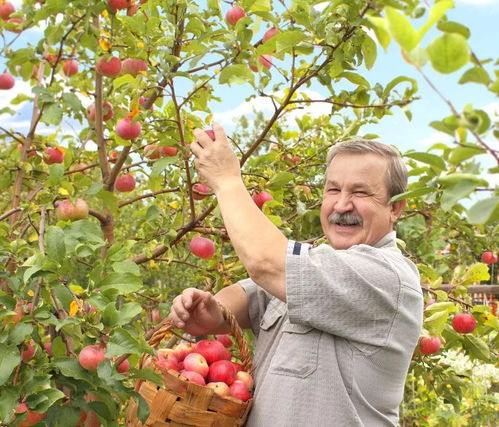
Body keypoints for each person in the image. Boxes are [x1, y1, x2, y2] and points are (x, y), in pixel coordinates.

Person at [168, 123, 423, 426]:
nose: (341, 205)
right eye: (333, 189)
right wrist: (213, 311)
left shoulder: (388, 277)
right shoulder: (317, 264)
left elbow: (266, 263)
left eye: (360, 192)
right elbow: (250, 292)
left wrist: (226, 180)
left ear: (395, 208)